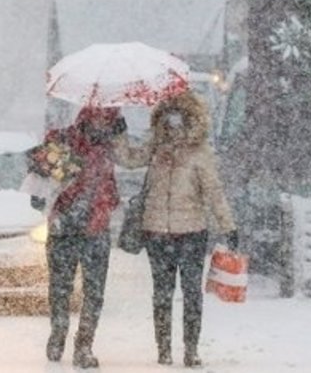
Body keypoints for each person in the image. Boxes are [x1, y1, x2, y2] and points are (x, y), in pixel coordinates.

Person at [138, 91, 237, 368]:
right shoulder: (154, 148)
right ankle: (164, 349)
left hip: (192, 232)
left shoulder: (200, 153)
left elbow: (214, 192)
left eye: (179, 119)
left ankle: (191, 349)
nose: (173, 126)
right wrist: (119, 136)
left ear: (189, 120)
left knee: (192, 293)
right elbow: (130, 158)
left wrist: (228, 225)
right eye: (168, 120)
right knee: (162, 293)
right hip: (156, 231)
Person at [31, 105, 127, 369]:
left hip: (96, 228)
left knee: (94, 292)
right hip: (64, 227)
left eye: (109, 120)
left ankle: (84, 345)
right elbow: (42, 177)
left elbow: (124, 168)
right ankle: (59, 332)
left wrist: (123, 137)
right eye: (101, 118)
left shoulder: (110, 147)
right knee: (60, 288)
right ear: (86, 118)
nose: (103, 124)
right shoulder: (63, 141)